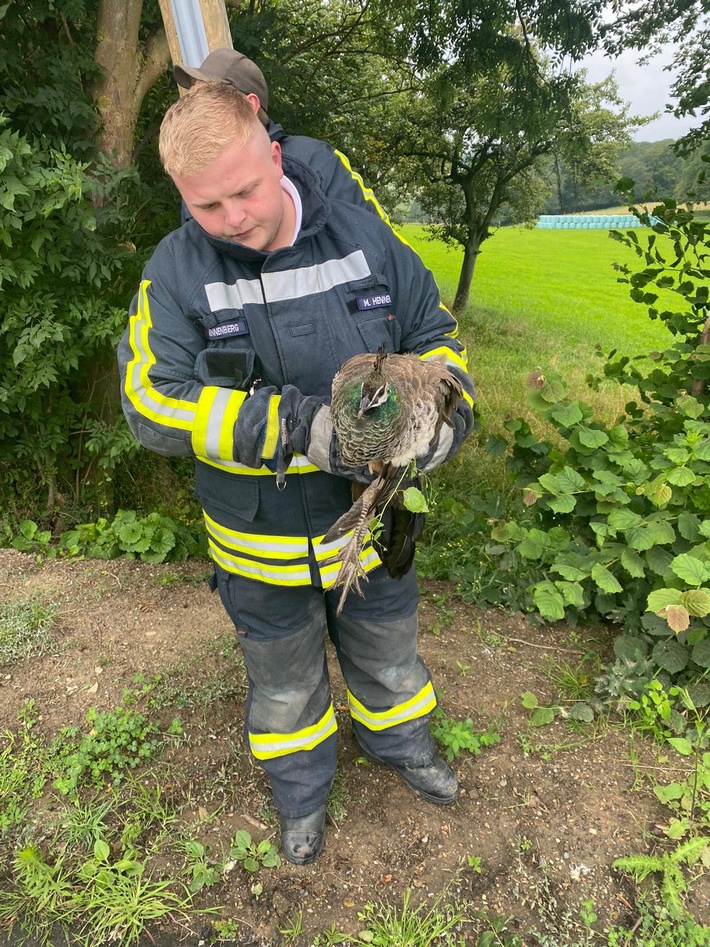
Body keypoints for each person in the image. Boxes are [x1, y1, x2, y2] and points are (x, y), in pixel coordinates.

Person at [117, 82, 475, 866]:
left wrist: (441, 424)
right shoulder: (175, 273)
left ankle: (402, 746)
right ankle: (302, 795)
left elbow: (436, 338)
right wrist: (290, 427)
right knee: (284, 688)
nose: (234, 218)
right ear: (183, 197)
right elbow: (150, 401)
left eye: (244, 190)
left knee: (389, 655)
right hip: (259, 546)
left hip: (375, 529)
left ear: (273, 153)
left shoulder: (363, 235)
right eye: (207, 207)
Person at [173, 47, 390, 224]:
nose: (195, 105)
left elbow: (383, 242)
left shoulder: (318, 161)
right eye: (210, 206)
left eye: (208, 97)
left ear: (249, 106)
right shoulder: (197, 177)